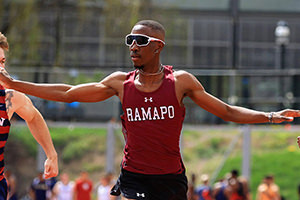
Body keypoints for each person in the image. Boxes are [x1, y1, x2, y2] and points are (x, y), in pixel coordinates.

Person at [0, 20, 300, 200]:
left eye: (140, 41)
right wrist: (13, 82)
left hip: (171, 178)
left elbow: (227, 111)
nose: (132, 45)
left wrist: (271, 116)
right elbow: (66, 93)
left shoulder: (180, 82)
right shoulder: (120, 83)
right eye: (129, 40)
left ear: (158, 46)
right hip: (134, 176)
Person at [0, 32, 58, 200]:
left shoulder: (9, 98)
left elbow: (33, 117)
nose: (1, 69)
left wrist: (51, 154)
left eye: (3, 62)